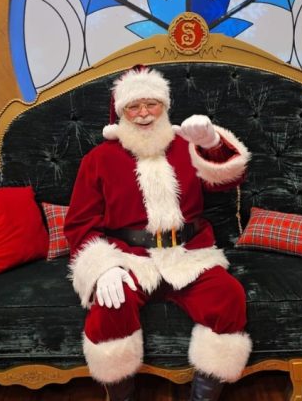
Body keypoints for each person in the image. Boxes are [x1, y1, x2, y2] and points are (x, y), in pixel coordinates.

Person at [65, 66, 252, 401]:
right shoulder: (98, 159)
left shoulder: (187, 147)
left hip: (190, 255)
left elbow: (229, 178)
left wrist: (211, 143)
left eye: (151, 104)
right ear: (121, 112)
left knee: (229, 296)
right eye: (133, 107)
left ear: (164, 107)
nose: (143, 114)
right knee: (110, 306)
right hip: (130, 258)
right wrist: (103, 267)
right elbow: (80, 224)